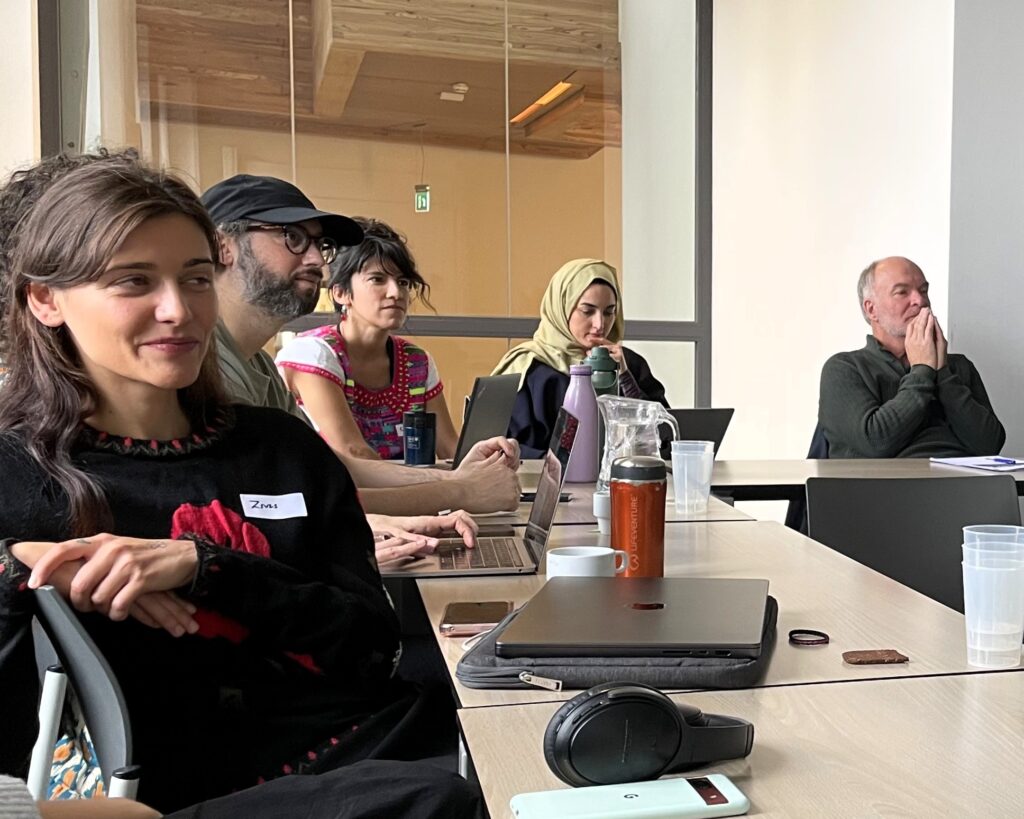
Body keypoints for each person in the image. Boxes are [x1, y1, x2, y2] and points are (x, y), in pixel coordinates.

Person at [0, 159, 482, 817]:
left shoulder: (280, 449)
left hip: (370, 740)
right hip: (219, 792)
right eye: (134, 281)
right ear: (44, 299)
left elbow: (372, 649)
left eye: (196, 278)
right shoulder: (19, 476)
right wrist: (18, 568)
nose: (178, 310)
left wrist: (207, 568)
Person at [200, 175, 520, 514]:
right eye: (293, 237)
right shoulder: (202, 366)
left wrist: (457, 478)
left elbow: (326, 466)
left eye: (320, 245)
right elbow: (287, 505)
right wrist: (460, 491)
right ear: (223, 247)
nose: (318, 261)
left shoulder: (258, 365)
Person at [275, 218, 458, 461]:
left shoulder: (417, 362)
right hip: (334, 485)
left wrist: (487, 461)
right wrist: (445, 480)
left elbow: (449, 449)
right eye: (377, 279)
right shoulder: (312, 353)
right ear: (340, 293)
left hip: (408, 484)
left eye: (403, 282)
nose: (396, 292)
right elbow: (353, 452)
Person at [818, 256, 1005, 458]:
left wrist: (942, 373)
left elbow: (990, 446)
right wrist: (923, 370)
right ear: (871, 309)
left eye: (923, 290)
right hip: (894, 477)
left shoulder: (958, 366)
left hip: (960, 475)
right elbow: (876, 442)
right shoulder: (845, 368)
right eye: (902, 292)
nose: (920, 301)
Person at [491, 258, 667, 458]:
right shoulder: (531, 368)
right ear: (561, 308)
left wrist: (625, 377)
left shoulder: (628, 364)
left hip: (625, 477)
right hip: (543, 478)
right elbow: (507, 447)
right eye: (587, 311)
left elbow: (663, 438)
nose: (600, 324)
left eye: (609, 312)